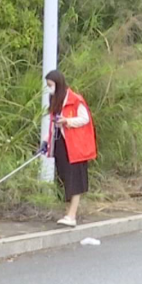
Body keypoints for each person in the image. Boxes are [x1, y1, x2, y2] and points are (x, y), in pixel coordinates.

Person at [41, 70, 97, 228]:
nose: (49, 88)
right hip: (60, 144)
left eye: (51, 85)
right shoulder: (55, 101)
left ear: (58, 84)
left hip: (75, 146)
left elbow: (85, 119)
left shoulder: (75, 99)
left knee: (75, 180)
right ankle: (67, 213)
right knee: (63, 178)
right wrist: (46, 141)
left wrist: (67, 121)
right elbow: (52, 125)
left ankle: (72, 215)